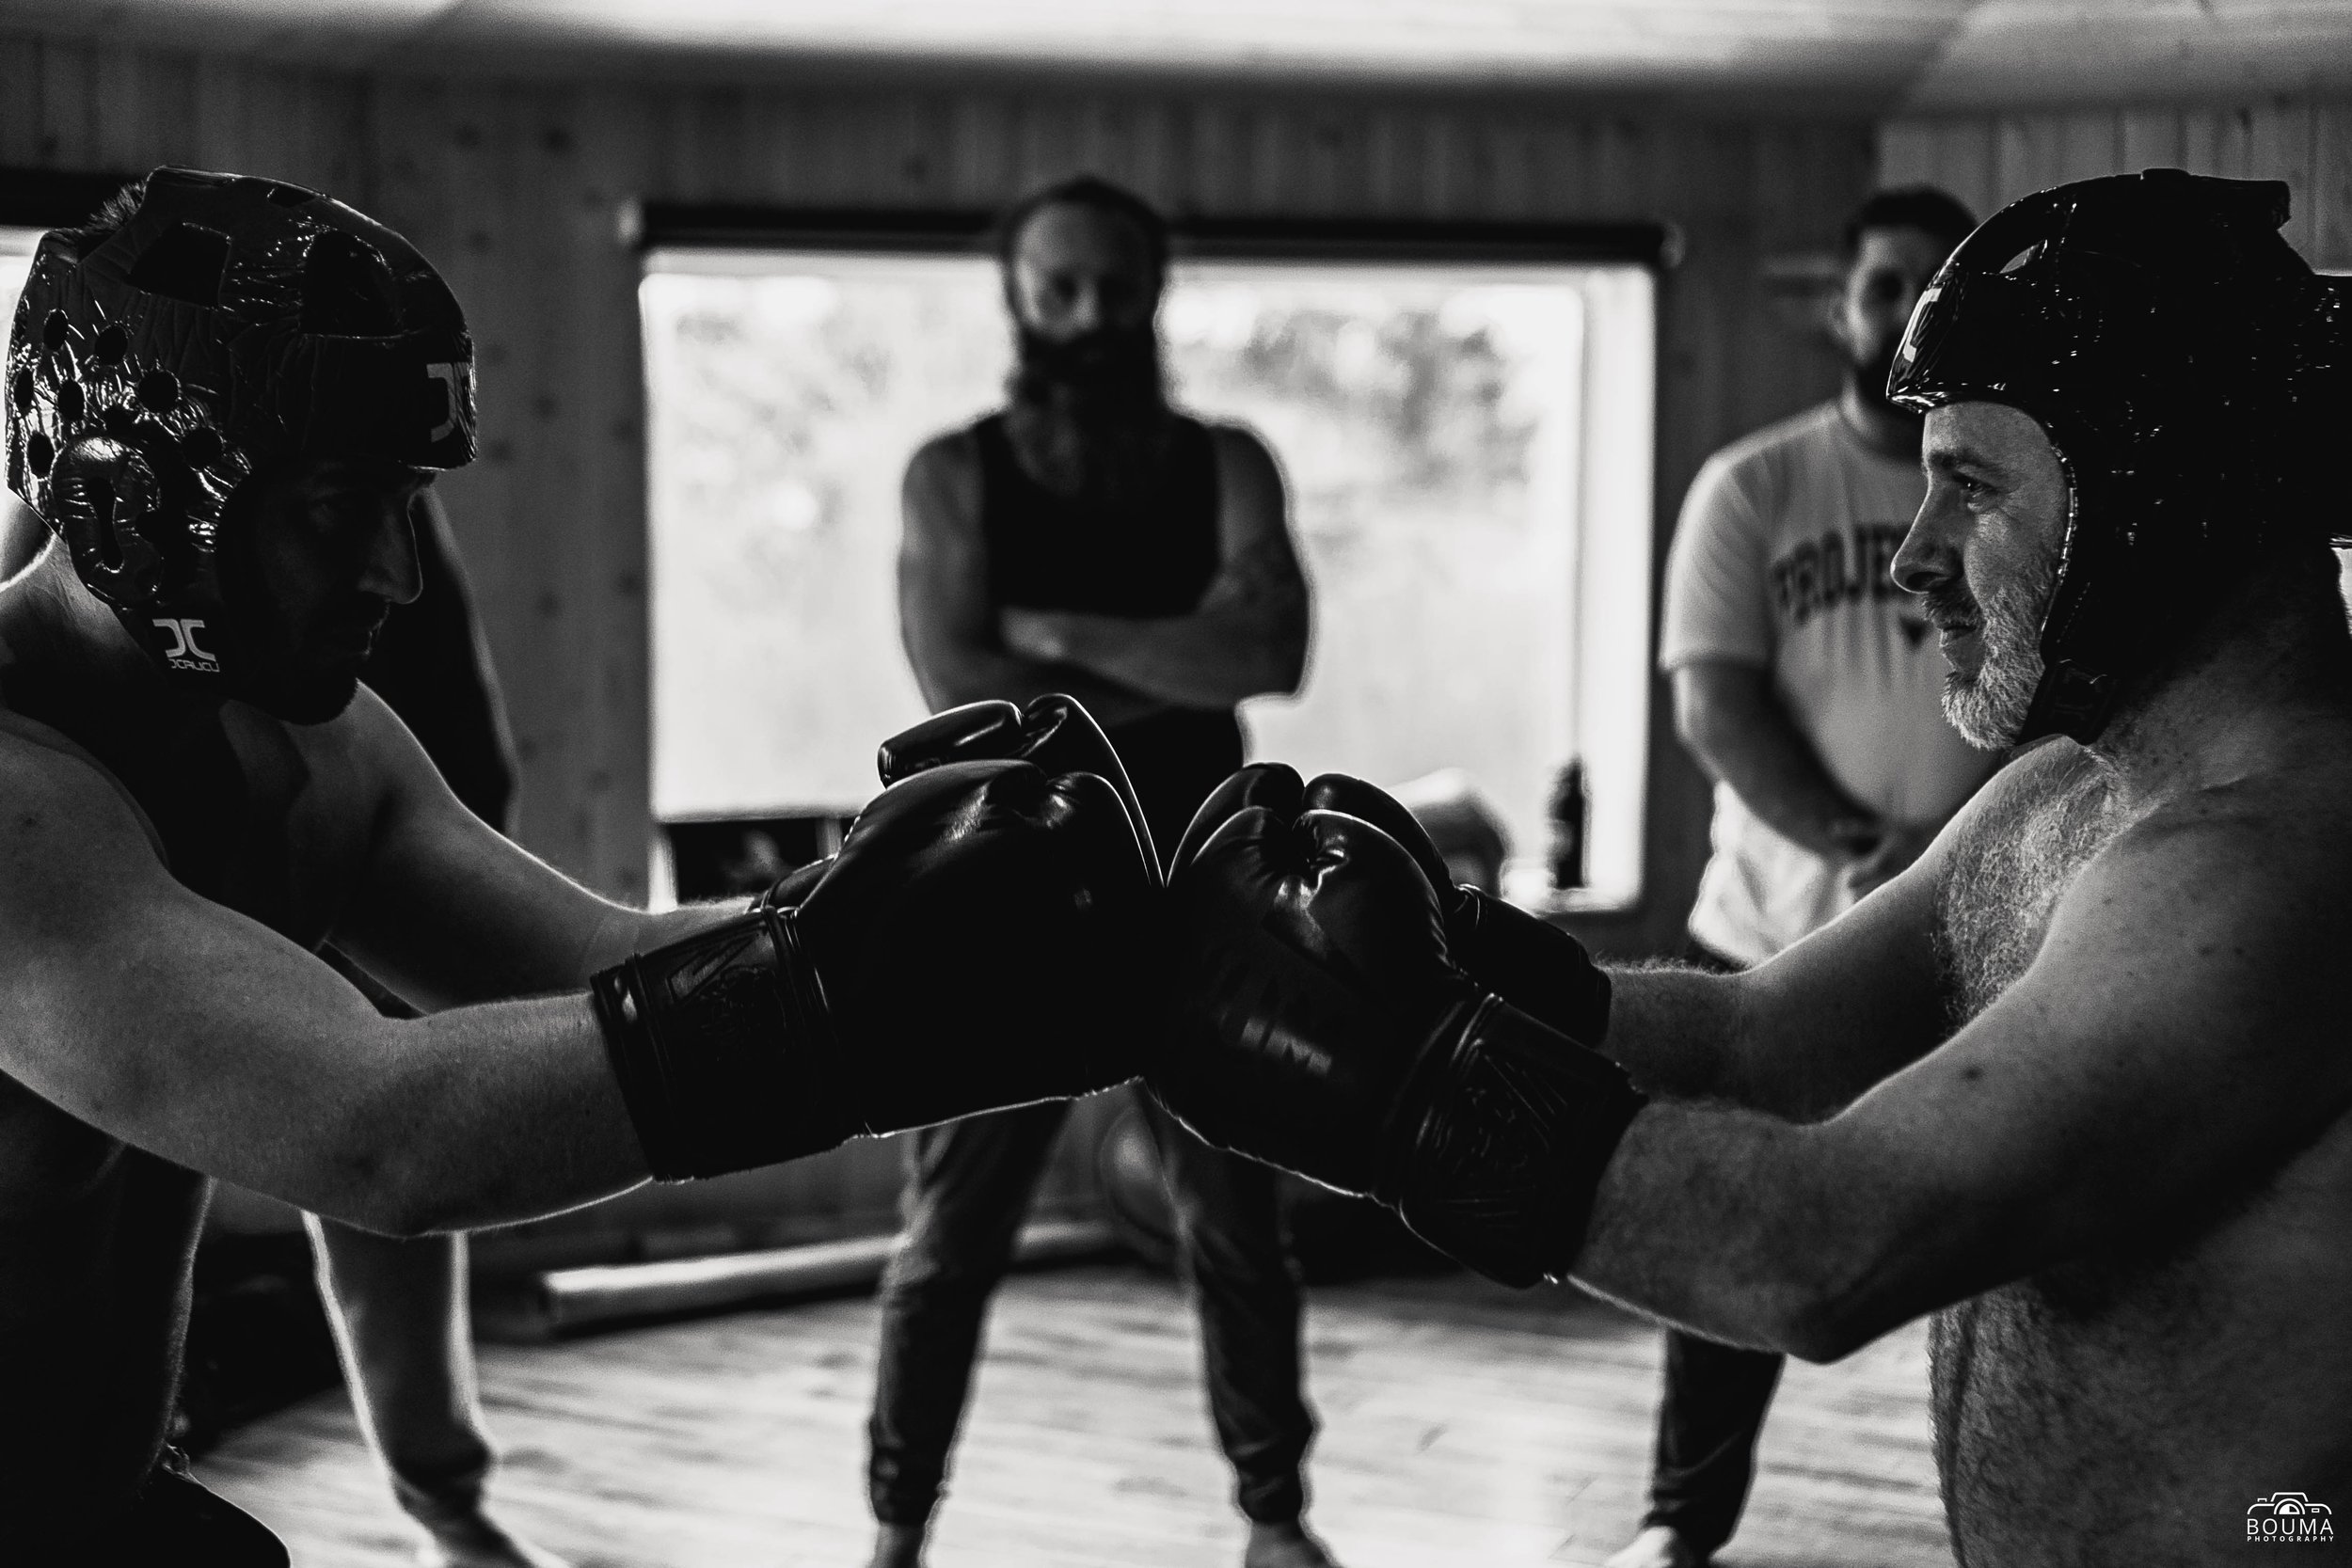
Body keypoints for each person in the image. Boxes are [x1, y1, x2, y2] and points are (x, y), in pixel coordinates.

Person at [1147, 168, 2352, 1567]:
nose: (1916, 554)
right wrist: (1457, 960)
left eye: (1969, 488)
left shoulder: (2281, 858)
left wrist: (1393, 1080)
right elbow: (1754, 1037)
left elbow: (1825, 1243)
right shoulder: (2061, 796)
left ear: (2162, 502)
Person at [0, 166, 1154, 1560]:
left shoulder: (308, 751)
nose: (396, 574)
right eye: (334, 510)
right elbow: (383, 1135)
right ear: (136, 495)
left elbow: (600, 963)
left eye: (407, 505)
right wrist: (851, 992)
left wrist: (975, 922)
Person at [881, 174, 1328, 1568]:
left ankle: (1275, 1520)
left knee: (1239, 1229)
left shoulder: (1230, 460)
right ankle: (895, 1535)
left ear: (1155, 292)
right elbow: (964, 673)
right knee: (950, 1239)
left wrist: (1056, 627)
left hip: (1204, 881)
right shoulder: (950, 472)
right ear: (1018, 294)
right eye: (1058, 285)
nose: (1088, 312)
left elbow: (1270, 656)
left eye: (1113, 286)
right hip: (1002, 897)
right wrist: (1168, 636)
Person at [1619, 185, 1994, 1568]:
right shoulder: (1757, 484)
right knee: (1728, 1239)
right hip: (1769, 934)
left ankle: (2007, 1522)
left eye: (1940, 283)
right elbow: (1715, 705)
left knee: (2002, 1230)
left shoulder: (2028, 480)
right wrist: (1861, 845)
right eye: (1888, 283)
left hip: (1990, 923)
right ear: (1841, 305)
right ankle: (1679, 1523)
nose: (1910, 311)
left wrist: (1960, 855)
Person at [308, 490, 568, 1568]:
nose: (389, 572)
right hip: (157, 872)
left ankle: (448, 1509)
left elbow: (468, 743)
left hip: (359, 870)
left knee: (390, 1197)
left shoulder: (382, 492)